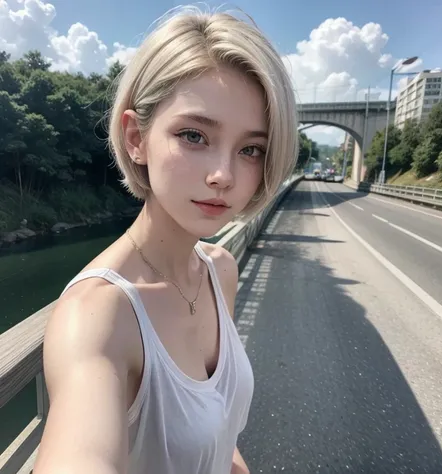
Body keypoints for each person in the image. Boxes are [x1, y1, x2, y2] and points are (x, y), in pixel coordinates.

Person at [33, 5, 298, 474]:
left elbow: (217, 432)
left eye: (250, 149)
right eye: (194, 135)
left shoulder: (220, 269)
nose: (223, 174)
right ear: (136, 137)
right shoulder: (100, 314)